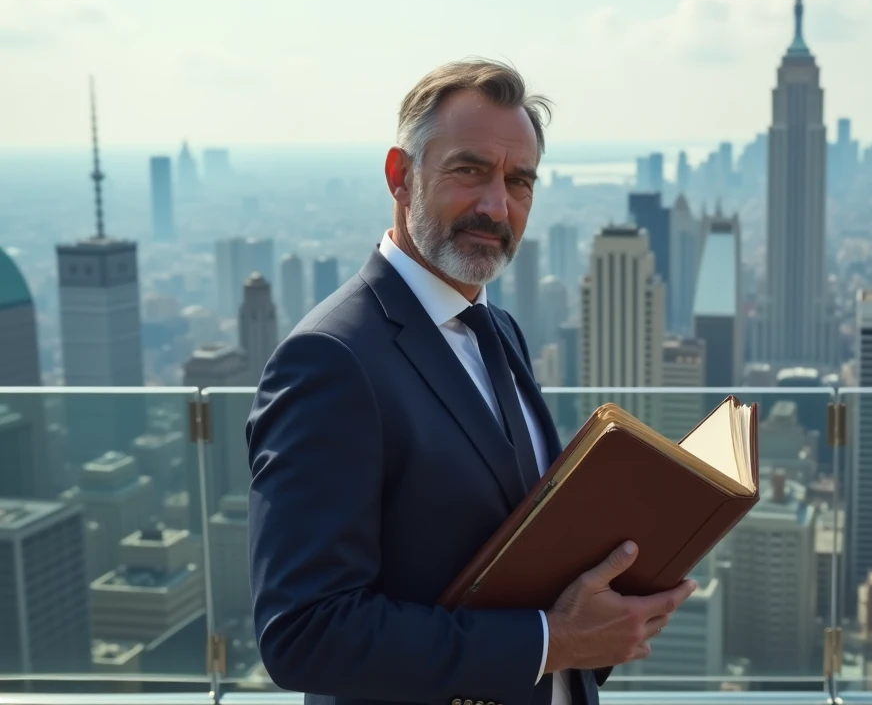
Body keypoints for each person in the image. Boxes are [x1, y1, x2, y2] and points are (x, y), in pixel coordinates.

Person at [246, 58, 696, 705]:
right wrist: (553, 643)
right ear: (401, 177)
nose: (497, 205)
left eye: (520, 182)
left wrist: (609, 609)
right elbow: (304, 634)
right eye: (469, 171)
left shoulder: (497, 329)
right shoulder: (332, 359)